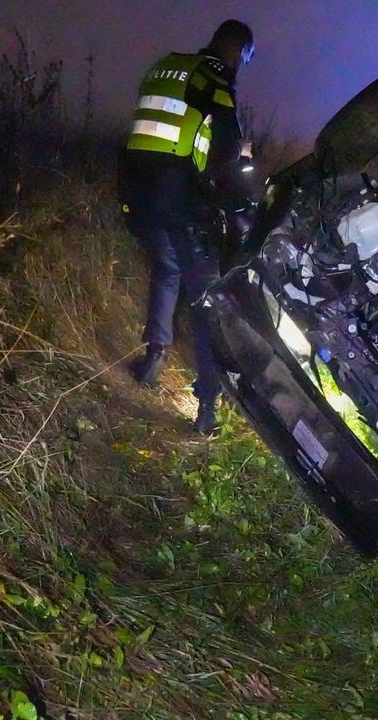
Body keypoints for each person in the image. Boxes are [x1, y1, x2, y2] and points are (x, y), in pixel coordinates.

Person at [117, 20, 255, 435]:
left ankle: (153, 359)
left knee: (167, 270)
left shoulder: (166, 66)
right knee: (203, 296)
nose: (241, 66)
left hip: (135, 193)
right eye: (245, 59)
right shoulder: (214, 78)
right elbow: (229, 150)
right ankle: (207, 409)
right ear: (238, 51)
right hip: (174, 195)